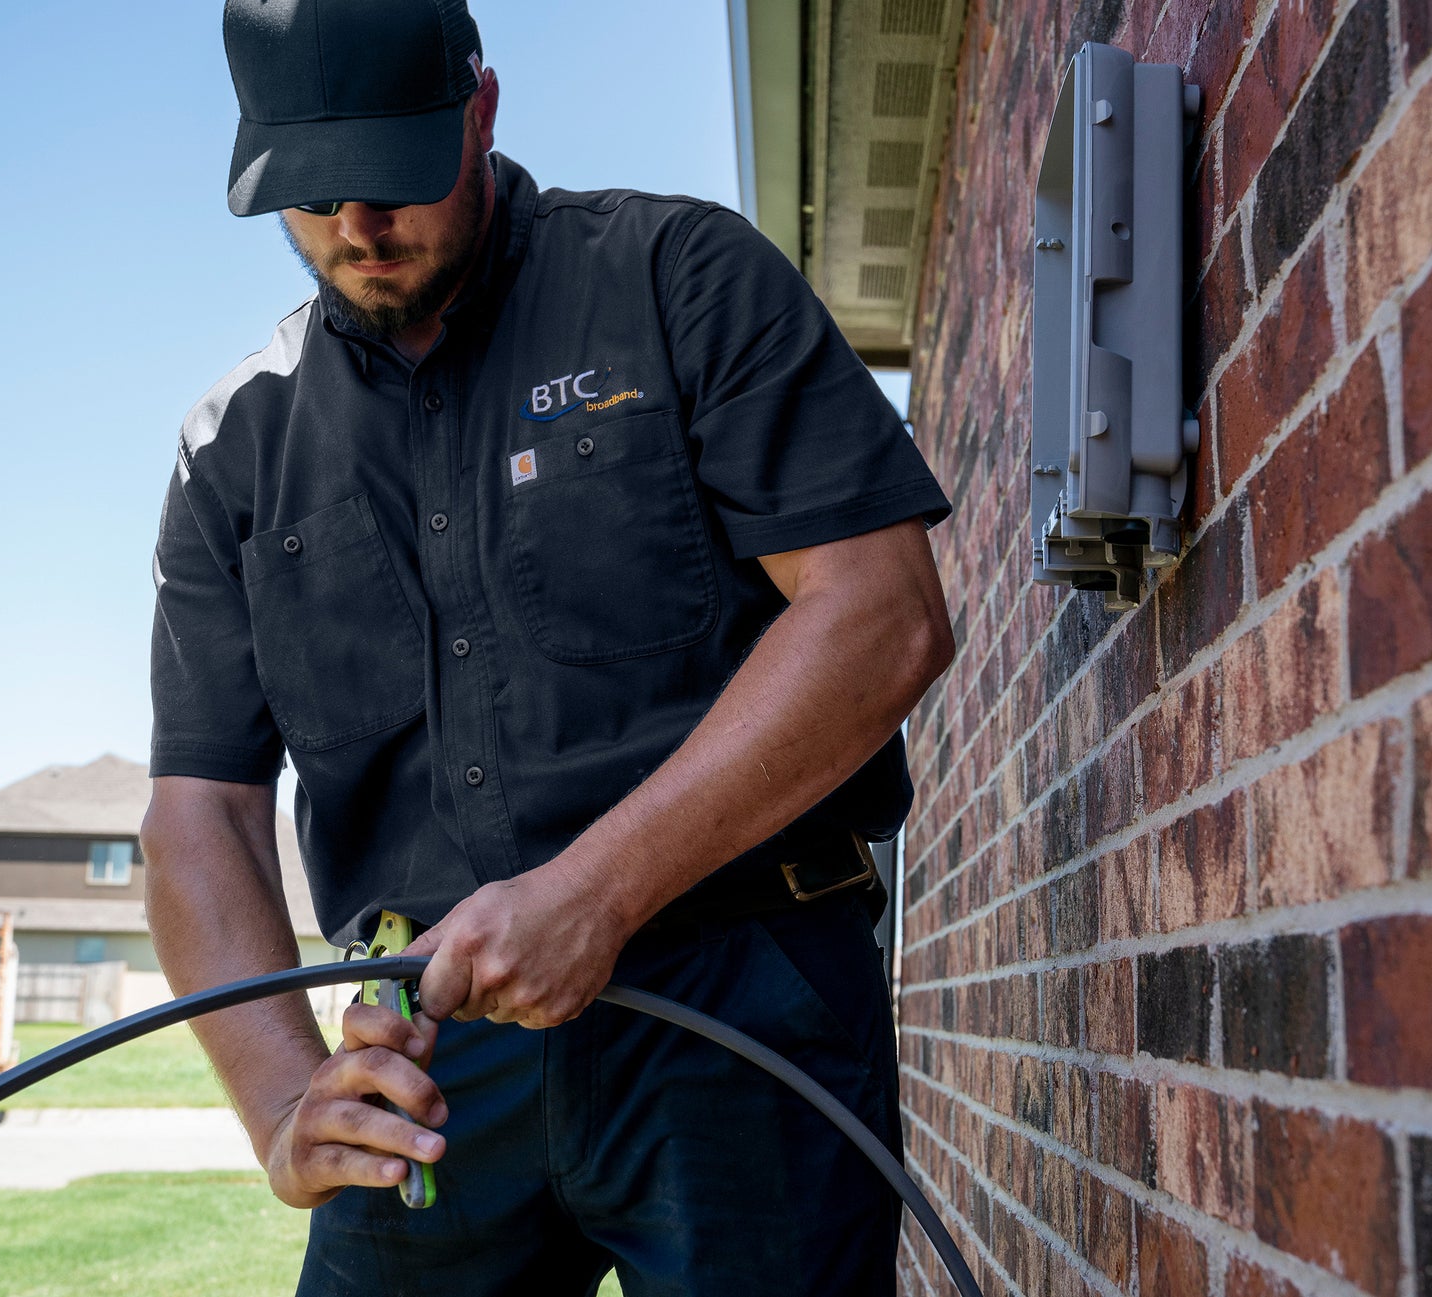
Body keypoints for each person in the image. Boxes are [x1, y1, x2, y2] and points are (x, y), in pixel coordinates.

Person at [139, 2, 954, 1294]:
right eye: (310, 192)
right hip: (427, 1043)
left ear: (480, 110)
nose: (356, 227)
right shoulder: (236, 440)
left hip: (740, 999)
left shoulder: (676, 272)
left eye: (394, 178)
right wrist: (285, 1100)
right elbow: (201, 813)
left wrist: (598, 889)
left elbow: (878, 612)